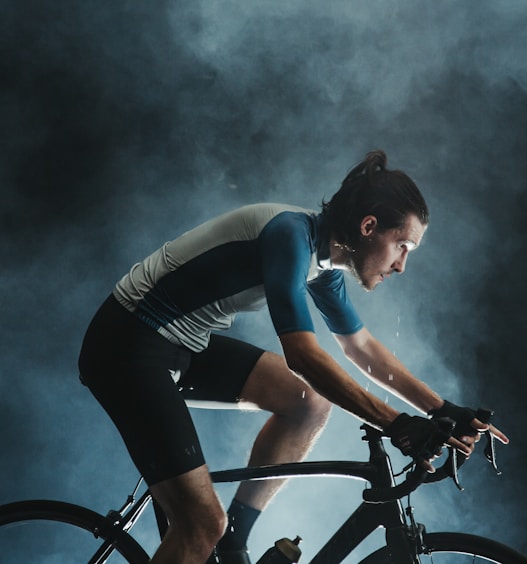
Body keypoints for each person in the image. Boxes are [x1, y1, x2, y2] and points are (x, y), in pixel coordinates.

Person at [78, 150, 509, 564]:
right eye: (403, 247)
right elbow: (302, 354)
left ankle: (235, 542)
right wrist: (396, 424)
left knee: (307, 404)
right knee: (199, 525)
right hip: (127, 345)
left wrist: (442, 409)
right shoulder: (290, 235)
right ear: (368, 225)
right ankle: (215, 534)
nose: (401, 266)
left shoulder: (326, 262)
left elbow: (362, 349)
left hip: (181, 344)